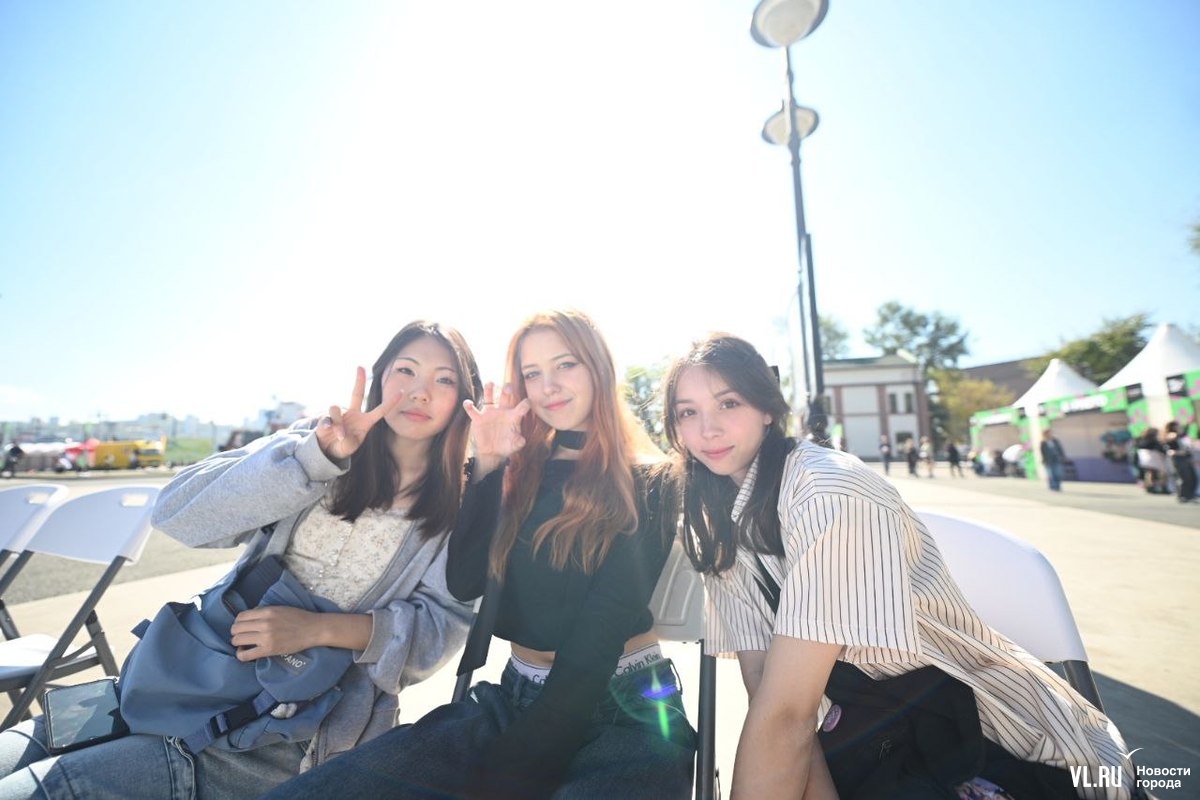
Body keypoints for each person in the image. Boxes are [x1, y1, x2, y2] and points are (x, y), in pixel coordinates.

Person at [0, 321, 482, 799]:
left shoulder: (462, 506)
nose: (419, 392)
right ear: (380, 378)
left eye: (444, 379)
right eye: (406, 370)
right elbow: (176, 512)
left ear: (465, 398)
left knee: (44, 788)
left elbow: (439, 632)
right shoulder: (317, 443)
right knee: (18, 747)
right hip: (185, 671)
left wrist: (318, 629)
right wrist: (314, 458)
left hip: (280, 731)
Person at [660, 333, 1135, 800]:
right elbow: (769, 694)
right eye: (688, 412)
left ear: (767, 409)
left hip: (1006, 746)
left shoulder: (827, 493)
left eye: (729, 403)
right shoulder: (719, 520)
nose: (708, 430)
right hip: (877, 747)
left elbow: (789, 714)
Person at [266, 309, 695, 800]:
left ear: (599, 367)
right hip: (513, 696)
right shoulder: (520, 471)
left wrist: (527, 756)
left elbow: (602, 627)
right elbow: (466, 580)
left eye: (566, 364)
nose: (549, 386)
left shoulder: (652, 480)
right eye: (532, 373)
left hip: (629, 709)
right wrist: (489, 463)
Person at [1163, 420, 1197, 503]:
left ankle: (1189, 495)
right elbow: (1174, 438)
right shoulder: (1171, 434)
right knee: (1183, 477)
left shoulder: (1182, 435)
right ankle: (1182, 495)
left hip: (1185, 458)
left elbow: (1185, 435)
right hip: (1178, 459)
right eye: (1177, 426)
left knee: (1192, 477)